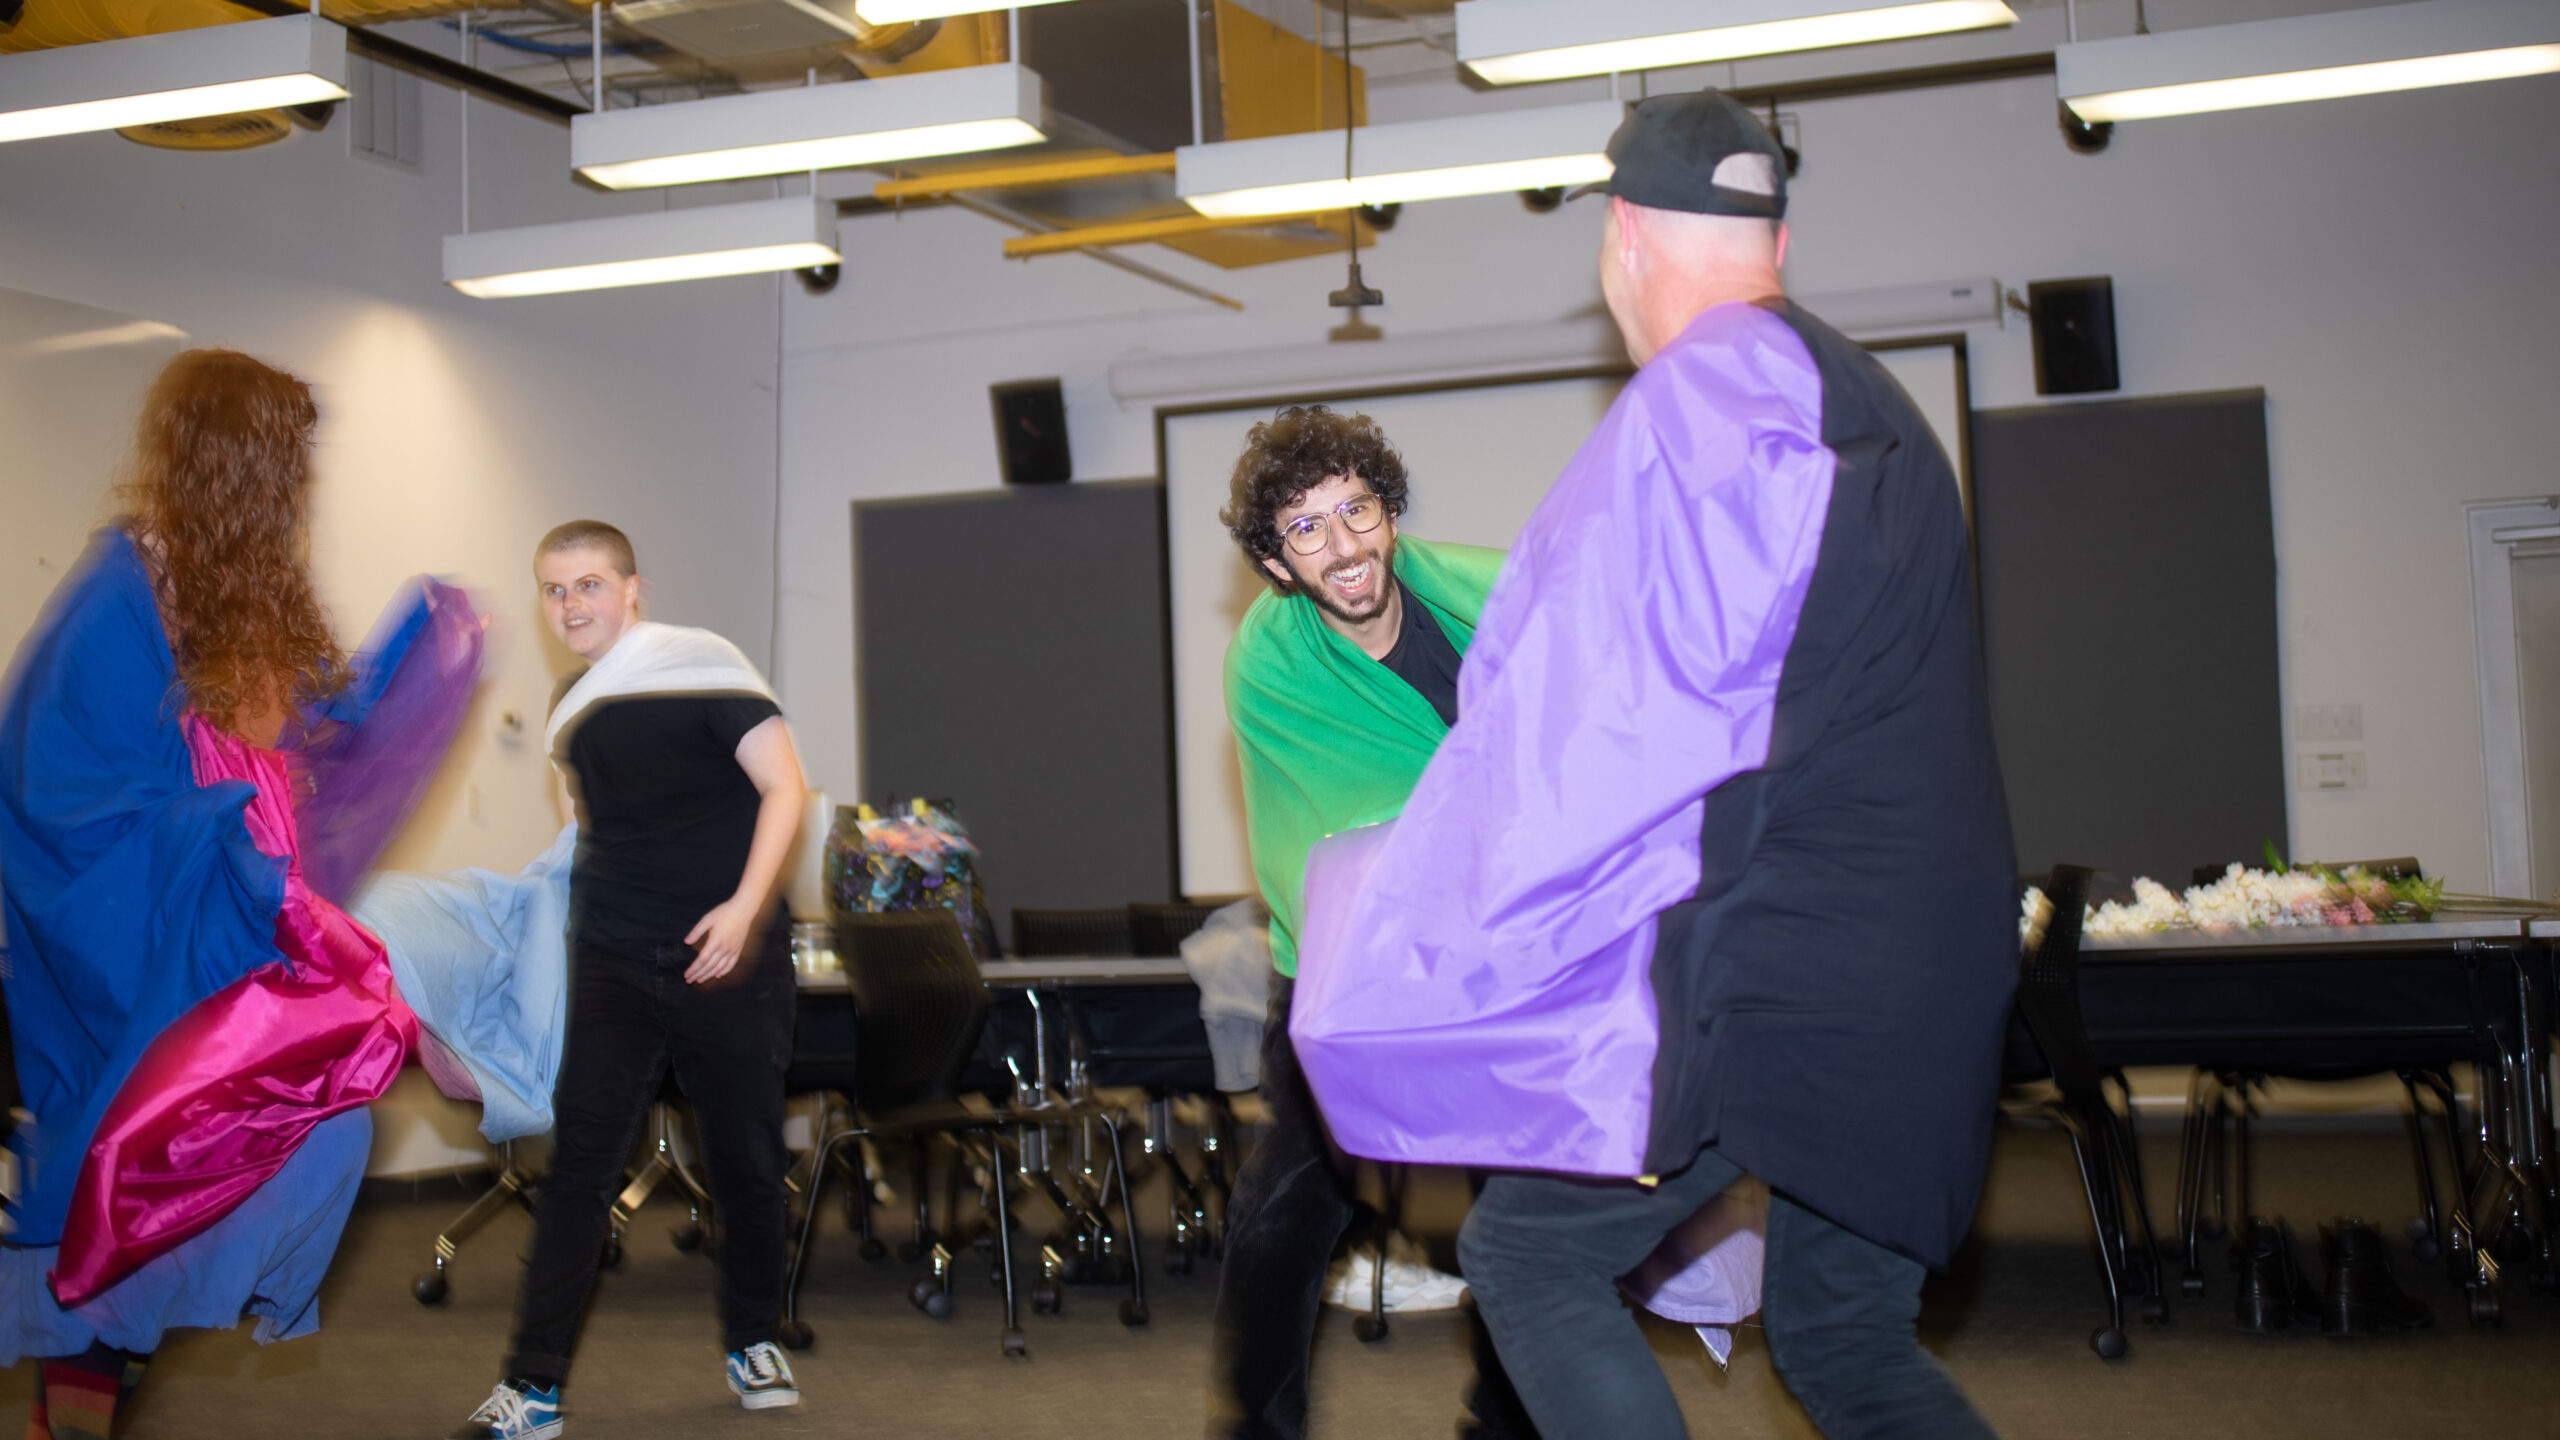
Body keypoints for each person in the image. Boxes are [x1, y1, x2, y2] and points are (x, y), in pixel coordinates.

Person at [1286, 92, 2017, 1440]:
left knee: (1525, 1256)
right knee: (1846, 1343)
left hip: (1786, 969)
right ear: (1773, 230)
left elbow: (1601, 733)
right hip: (1927, 959)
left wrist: (1428, 920)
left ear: (1621, 234)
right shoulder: (1873, 400)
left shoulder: (1714, 392)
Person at [1, 349, 478, 1439]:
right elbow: (55, 794)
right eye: (288, 469)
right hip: (131, 946)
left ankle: (88, 1391)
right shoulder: (118, 600)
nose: (301, 492)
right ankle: (73, 1405)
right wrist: (223, 839)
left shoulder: (227, 594)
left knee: (295, 1132)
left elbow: (305, 738)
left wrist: (418, 664)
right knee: (124, 1190)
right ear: (237, 472)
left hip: (216, 935)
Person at [1208, 405, 1534, 1440]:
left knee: (1527, 1220)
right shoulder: (1273, 663)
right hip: (1346, 968)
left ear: (1388, 513)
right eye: (1306, 528)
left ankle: (1510, 1420)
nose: (1343, 546)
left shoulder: (1489, 596)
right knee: (1289, 1214)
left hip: (1503, 959)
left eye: (1356, 509)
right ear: (1272, 561)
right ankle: (1257, 1428)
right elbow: (1352, 825)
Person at [452, 521, 807, 1440]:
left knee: (747, 1164)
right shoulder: (574, 704)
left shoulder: (707, 664)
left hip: (727, 957)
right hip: (612, 953)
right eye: (555, 590)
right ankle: (530, 1390)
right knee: (578, 1171)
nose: (572, 605)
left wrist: (742, 910)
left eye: (590, 585)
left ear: (632, 588)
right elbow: (596, 834)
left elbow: (786, 788)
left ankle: (754, 1340)